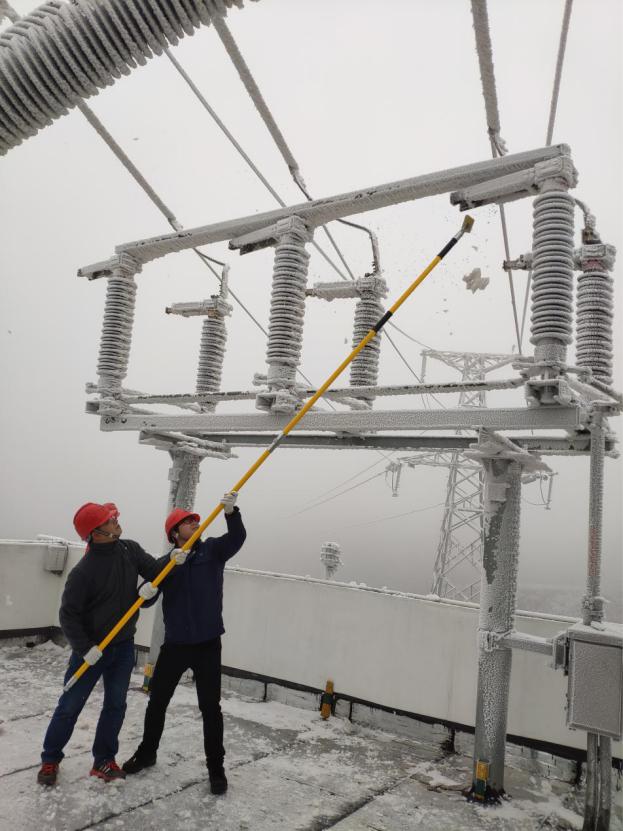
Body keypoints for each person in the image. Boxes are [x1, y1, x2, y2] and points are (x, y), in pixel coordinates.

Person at [37, 502, 182, 786]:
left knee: (115, 705)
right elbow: (68, 615)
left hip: (123, 646)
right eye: (110, 519)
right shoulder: (83, 572)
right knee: (69, 706)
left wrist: (170, 562)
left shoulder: (129, 550)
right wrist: (84, 648)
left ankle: (104, 760)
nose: (116, 520)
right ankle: (50, 758)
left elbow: (154, 574)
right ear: (97, 532)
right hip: (92, 651)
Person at [122, 491, 246, 795]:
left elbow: (238, 538)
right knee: (158, 701)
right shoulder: (167, 563)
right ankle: (147, 752)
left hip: (207, 643)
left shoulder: (213, 551)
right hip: (175, 645)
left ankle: (216, 768)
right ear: (175, 533)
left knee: (210, 707)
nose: (195, 523)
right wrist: (148, 589)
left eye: (196, 521)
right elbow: (146, 598)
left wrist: (233, 513)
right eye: (189, 523)